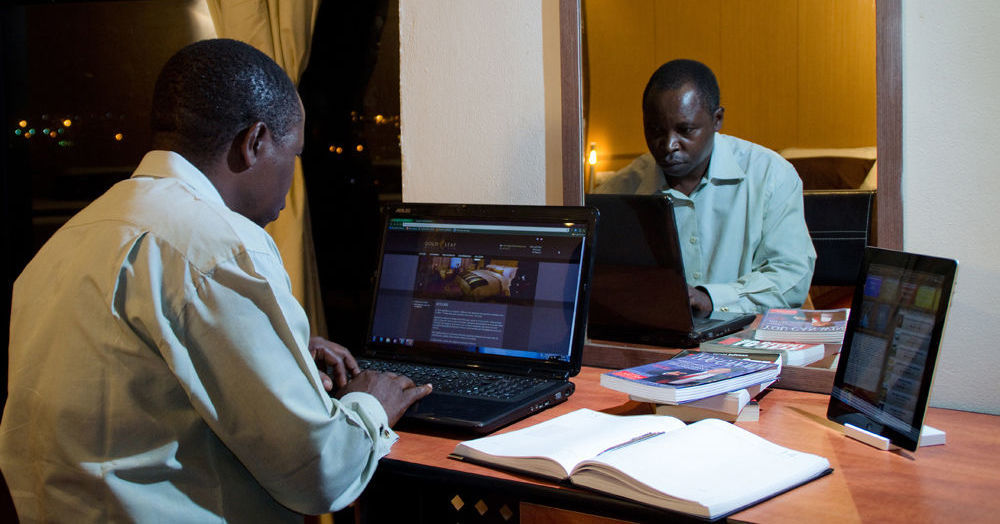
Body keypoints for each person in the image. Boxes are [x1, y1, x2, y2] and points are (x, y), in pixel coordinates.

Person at [0, 39, 431, 522]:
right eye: (295, 155)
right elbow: (320, 474)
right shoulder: (220, 245)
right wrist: (370, 404)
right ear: (255, 142)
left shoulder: (75, 235)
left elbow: (130, 377)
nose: (292, 181)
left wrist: (276, 347)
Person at [595, 59, 815, 315]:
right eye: (655, 130)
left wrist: (713, 299)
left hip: (744, 341)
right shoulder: (617, 191)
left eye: (685, 130)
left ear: (717, 119)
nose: (668, 145)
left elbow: (790, 277)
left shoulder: (771, 176)